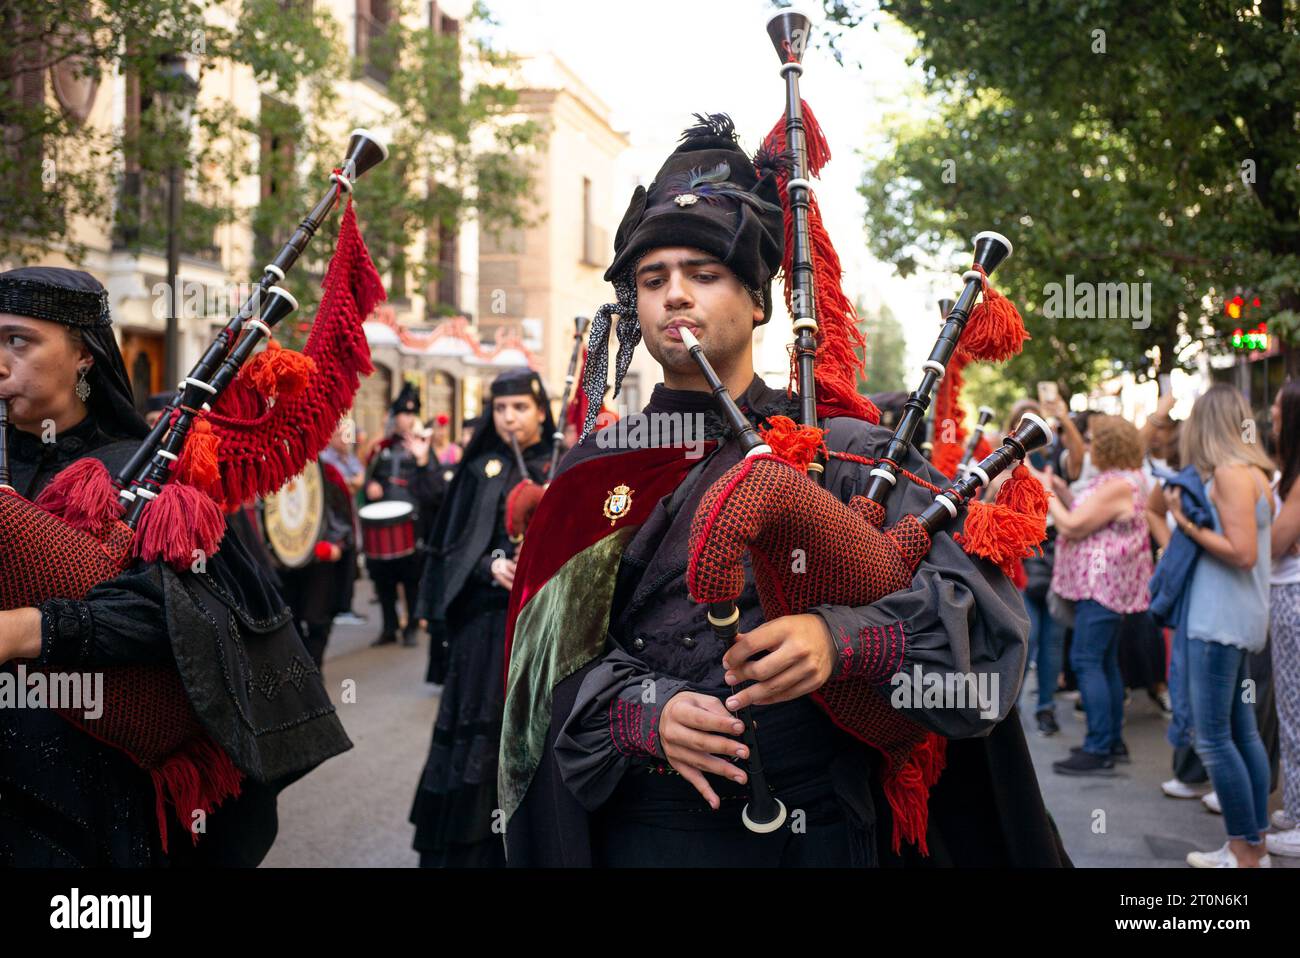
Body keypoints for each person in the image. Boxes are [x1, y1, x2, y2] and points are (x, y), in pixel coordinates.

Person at [499, 114, 1067, 867]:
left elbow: (986, 621)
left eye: (704, 275)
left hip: (822, 826)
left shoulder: (852, 452)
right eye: (653, 278)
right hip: (654, 830)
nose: (675, 296)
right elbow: (541, 680)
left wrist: (839, 641)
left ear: (760, 302)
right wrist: (643, 713)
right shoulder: (596, 468)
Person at [0, 266, 351, 866]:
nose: (0, 361)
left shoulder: (153, 478)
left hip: (95, 797)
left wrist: (30, 631)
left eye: (17, 340)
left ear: (84, 354)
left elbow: (186, 616)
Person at [409, 368, 555, 867]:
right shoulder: (480, 469)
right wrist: (490, 563)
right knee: (482, 742)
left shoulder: (565, 462)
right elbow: (452, 546)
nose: (510, 418)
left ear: (540, 409)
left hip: (547, 634)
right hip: (487, 632)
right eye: (500, 408)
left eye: (520, 407)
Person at [1173, 385, 1274, 868]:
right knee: (1240, 731)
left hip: (1219, 622)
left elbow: (1243, 552)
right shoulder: (1254, 473)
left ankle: (1245, 849)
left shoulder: (1233, 474)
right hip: (1235, 618)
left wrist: (1187, 525)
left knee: (1214, 737)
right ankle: (1251, 843)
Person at [1038, 415, 1152, 775]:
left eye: (1092, 441)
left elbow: (1072, 525)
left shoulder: (1119, 482)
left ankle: (1098, 746)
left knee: (1088, 661)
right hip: (1107, 585)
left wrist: (1046, 492)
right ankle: (1110, 742)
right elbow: (1086, 513)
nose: (1088, 447)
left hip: (1101, 586)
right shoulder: (1124, 480)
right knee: (1104, 662)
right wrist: (1062, 490)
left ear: (1107, 445)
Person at [363, 383, 443, 647]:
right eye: (403, 414)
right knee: (383, 579)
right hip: (382, 524)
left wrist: (422, 462)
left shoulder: (424, 448)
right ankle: (388, 627)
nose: (407, 419)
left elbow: (435, 490)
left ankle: (410, 627)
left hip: (413, 523)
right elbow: (369, 479)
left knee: (410, 579)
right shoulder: (381, 448)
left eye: (412, 414)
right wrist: (370, 487)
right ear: (394, 416)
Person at [1266, 381, 1300, 858]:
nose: (1270, 416)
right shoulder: (1287, 474)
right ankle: (1294, 808)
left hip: (1292, 595)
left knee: (1294, 714)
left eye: (1276, 410)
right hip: (1285, 592)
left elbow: (1274, 542)